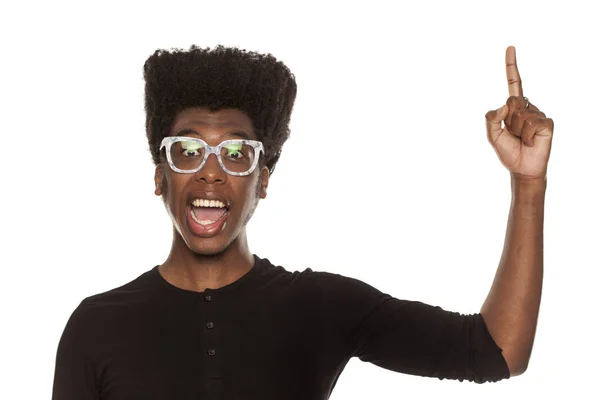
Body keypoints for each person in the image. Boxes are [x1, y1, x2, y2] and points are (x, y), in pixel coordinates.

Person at [51, 44, 553, 399]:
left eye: (235, 152)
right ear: (161, 177)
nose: (210, 171)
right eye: (187, 150)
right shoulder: (97, 326)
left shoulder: (320, 307)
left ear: (262, 181)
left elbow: (497, 351)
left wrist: (528, 185)